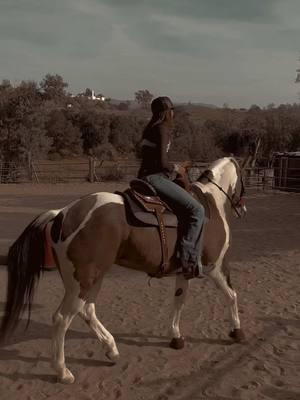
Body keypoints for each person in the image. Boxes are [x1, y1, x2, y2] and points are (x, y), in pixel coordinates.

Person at [137, 96, 205, 279]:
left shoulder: (149, 128)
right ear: (167, 113)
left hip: (144, 176)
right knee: (197, 210)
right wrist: (177, 168)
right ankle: (188, 260)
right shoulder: (162, 129)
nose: (173, 113)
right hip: (155, 178)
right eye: (172, 110)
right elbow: (162, 162)